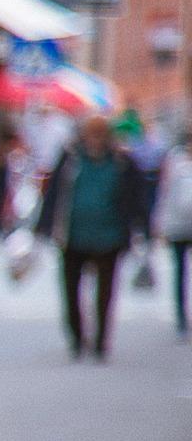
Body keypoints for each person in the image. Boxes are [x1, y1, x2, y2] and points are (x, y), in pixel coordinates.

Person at [34, 115, 153, 361]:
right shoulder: (71, 159)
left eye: (100, 135)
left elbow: (137, 197)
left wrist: (144, 229)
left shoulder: (121, 162)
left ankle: (101, 340)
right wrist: (43, 226)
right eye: (92, 134)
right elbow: (54, 193)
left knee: (106, 291)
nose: (96, 140)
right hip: (72, 234)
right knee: (70, 289)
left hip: (110, 236)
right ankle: (77, 336)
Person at [157, 131, 192, 339]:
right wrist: (160, 223)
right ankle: (181, 316)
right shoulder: (175, 163)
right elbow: (165, 193)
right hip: (178, 226)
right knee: (180, 271)